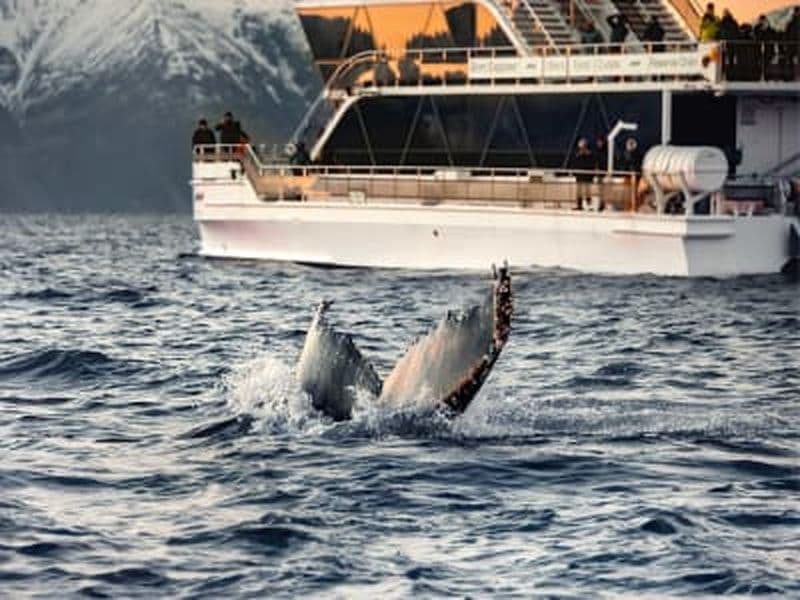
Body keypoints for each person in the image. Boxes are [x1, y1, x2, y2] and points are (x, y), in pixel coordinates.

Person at [570, 138, 596, 210]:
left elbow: (592, 165)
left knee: (588, 191)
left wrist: (592, 175)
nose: (582, 148)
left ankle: (589, 205)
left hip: (587, 176)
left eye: (583, 146)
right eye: (581, 146)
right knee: (579, 191)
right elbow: (575, 164)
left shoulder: (590, 155)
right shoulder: (577, 155)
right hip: (579, 176)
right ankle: (579, 205)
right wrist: (574, 172)